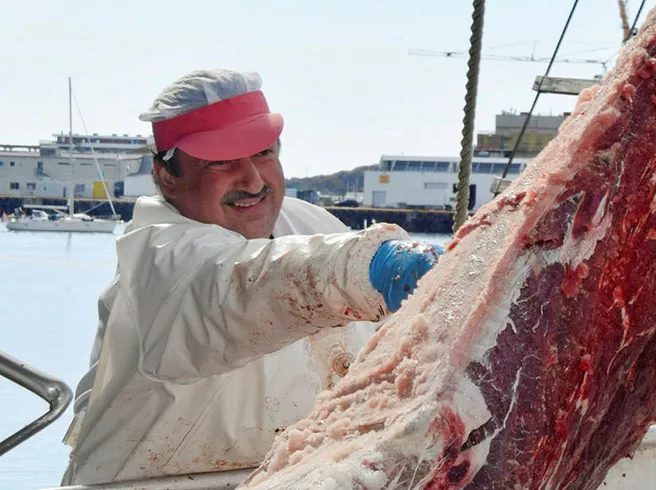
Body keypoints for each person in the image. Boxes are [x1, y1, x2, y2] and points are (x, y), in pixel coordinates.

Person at [59, 69, 443, 486]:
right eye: (221, 161)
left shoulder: (310, 222)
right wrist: (375, 266)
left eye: (264, 153)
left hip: (301, 472)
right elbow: (242, 288)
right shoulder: (159, 256)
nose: (254, 181)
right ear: (168, 174)